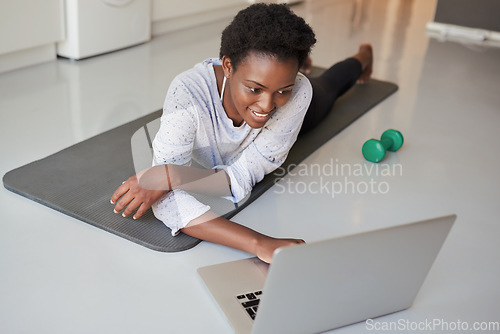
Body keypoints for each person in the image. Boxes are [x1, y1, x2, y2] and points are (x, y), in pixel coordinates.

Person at [110, 3, 373, 263]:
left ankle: (363, 57)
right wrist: (259, 244)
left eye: (282, 89)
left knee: (329, 87)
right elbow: (168, 202)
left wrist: (171, 174)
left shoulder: (298, 95)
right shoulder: (187, 94)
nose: (267, 105)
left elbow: (241, 176)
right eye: (255, 88)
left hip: (290, 125)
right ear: (227, 66)